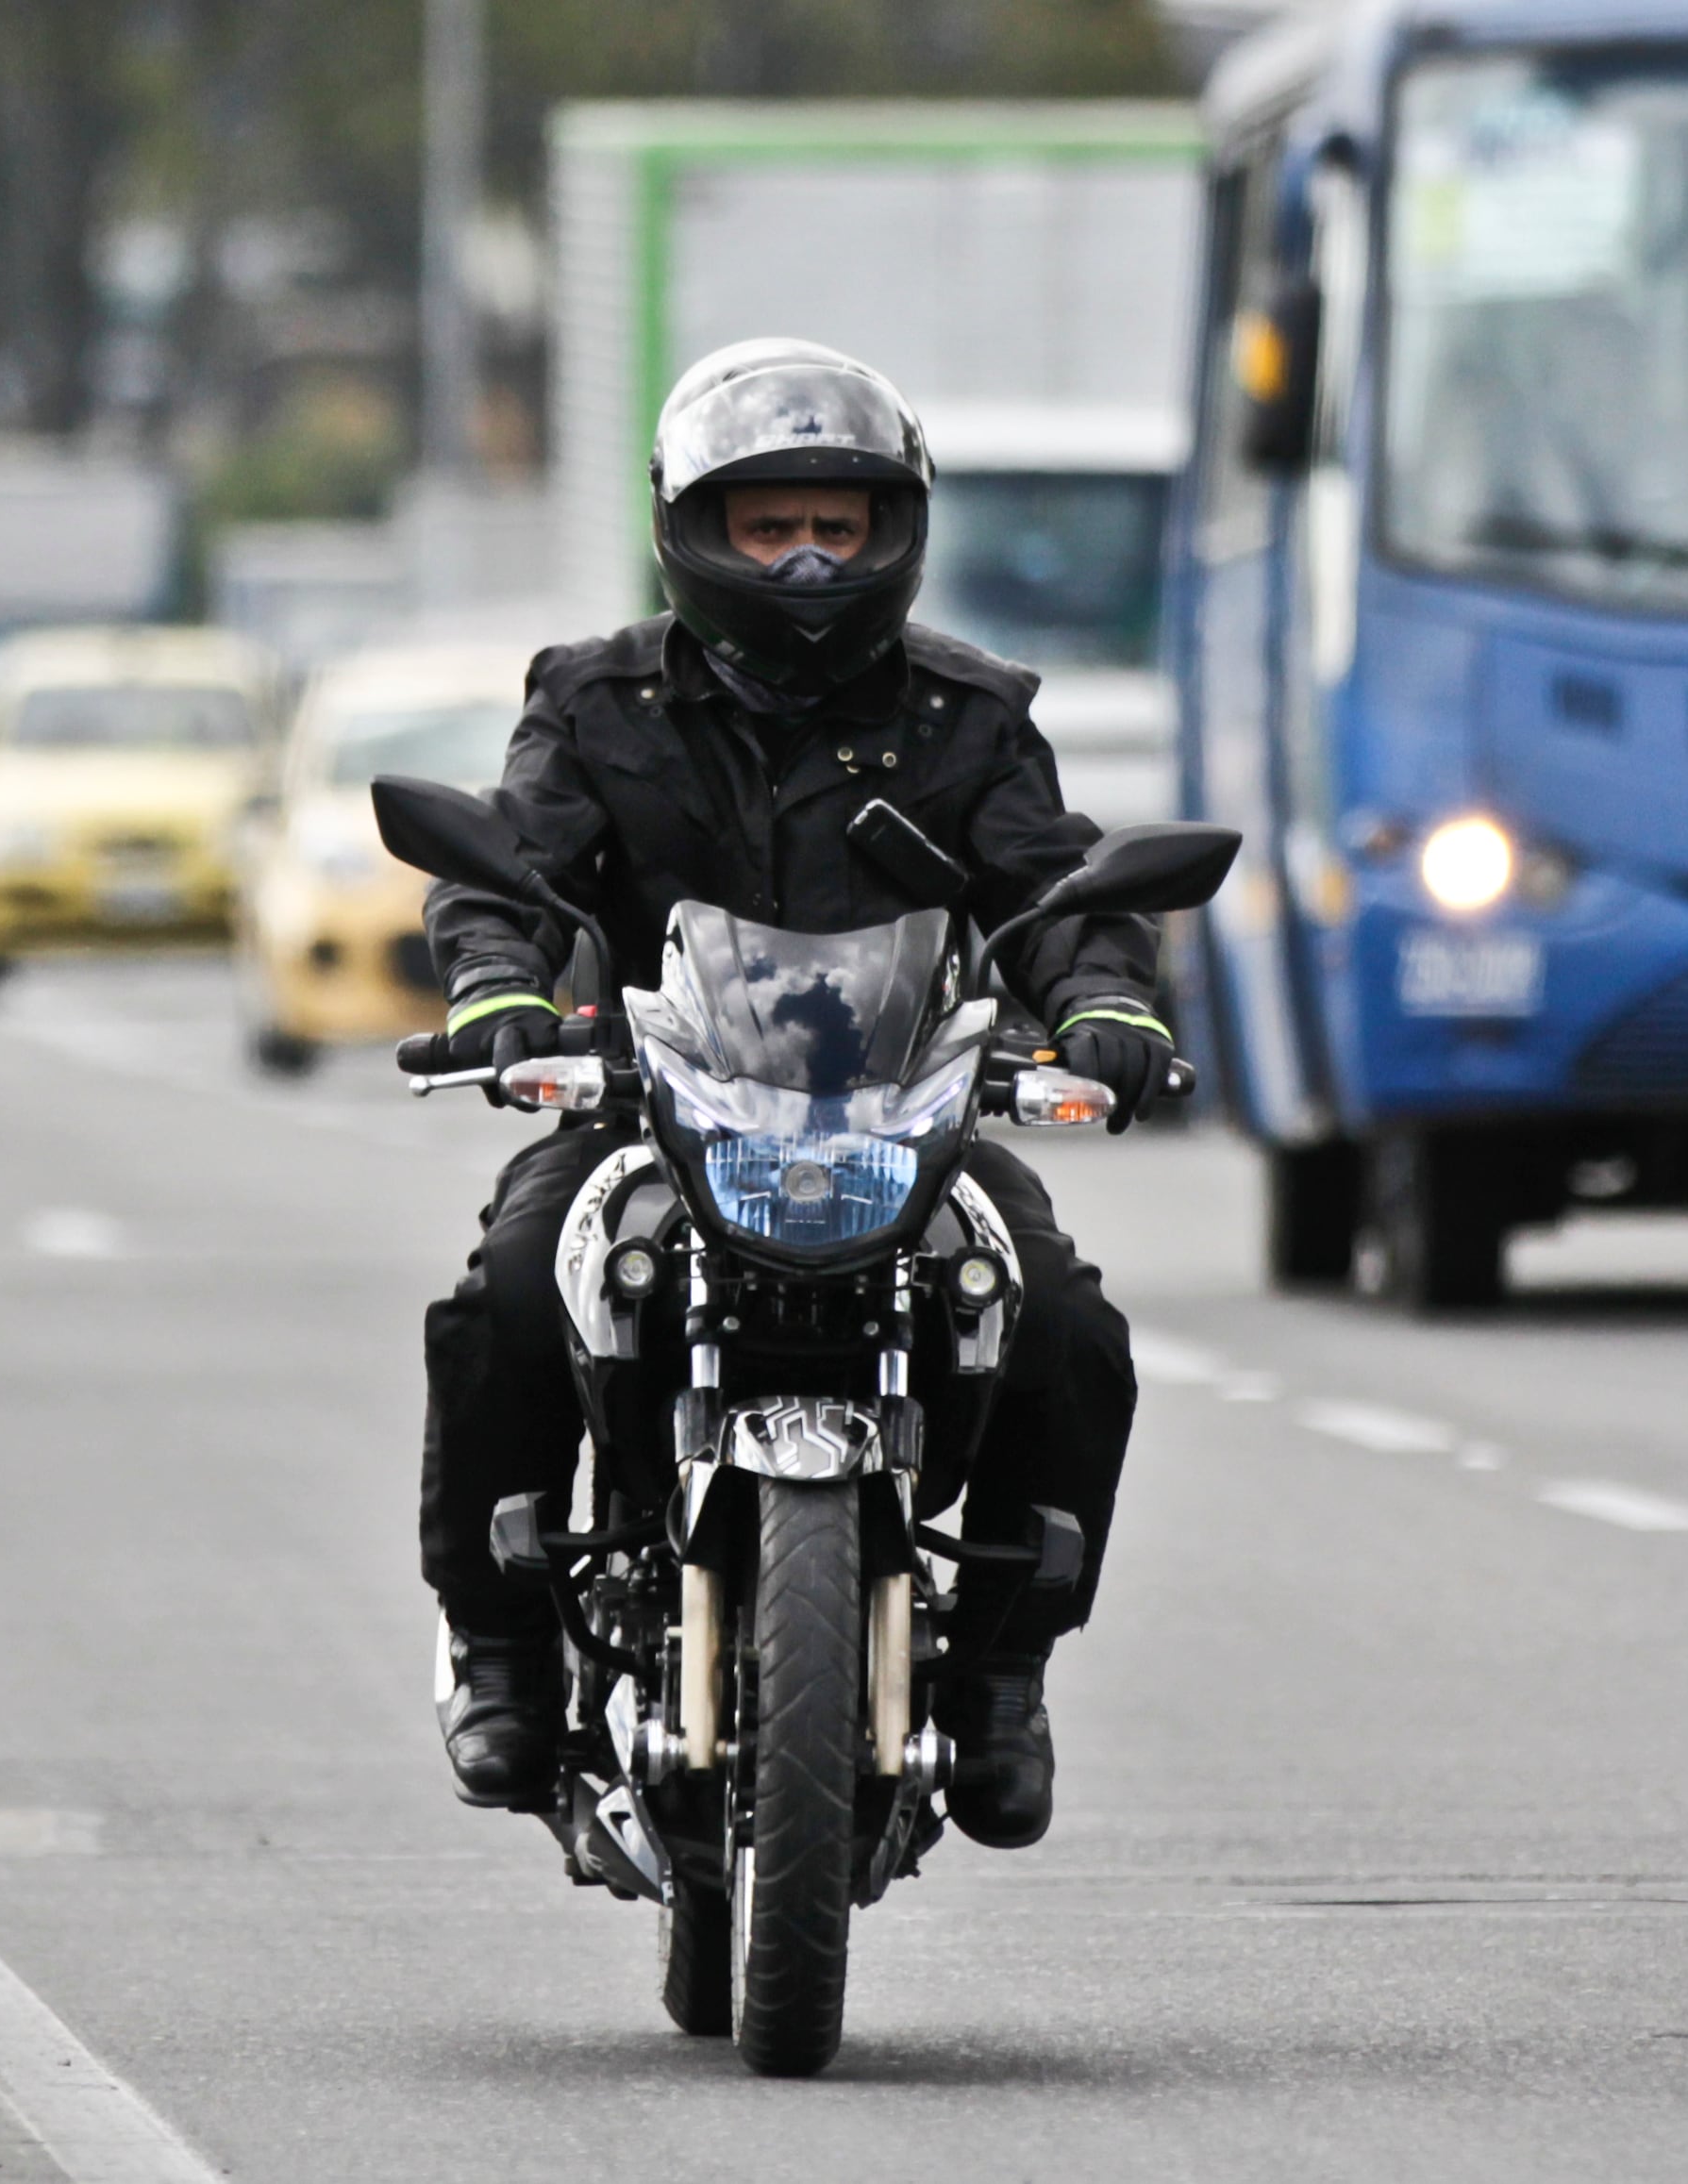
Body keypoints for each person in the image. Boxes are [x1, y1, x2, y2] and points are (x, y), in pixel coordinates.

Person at [419, 340, 1174, 1853]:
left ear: (897, 528)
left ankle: (1004, 1673)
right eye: (772, 526)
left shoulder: (969, 714)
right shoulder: (595, 700)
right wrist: (498, 983)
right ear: (695, 527)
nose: (811, 558)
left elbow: (1055, 887)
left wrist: (1104, 1000)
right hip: (651, 1114)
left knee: (1065, 1320)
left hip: (901, 1118)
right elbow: (509, 866)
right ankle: (502, 1646)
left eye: (839, 521)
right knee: (509, 1287)